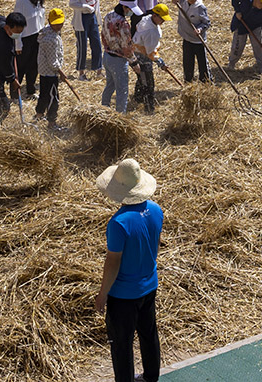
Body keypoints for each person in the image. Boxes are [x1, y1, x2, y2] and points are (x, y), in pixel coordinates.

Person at [94, 157, 163, 382]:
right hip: (149, 285)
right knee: (149, 334)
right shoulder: (155, 210)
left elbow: (113, 263)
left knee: (121, 343)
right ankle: (151, 376)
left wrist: (103, 294)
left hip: (123, 295)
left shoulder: (118, 223)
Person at [102, 0, 142, 113]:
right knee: (122, 90)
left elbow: (103, 34)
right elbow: (127, 47)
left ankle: (103, 110)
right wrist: (134, 63)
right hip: (118, 60)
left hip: (107, 56)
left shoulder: (108, 16)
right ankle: (121, 117)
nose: (131, 13)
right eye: (130, 10)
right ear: (124, 7)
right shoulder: (123, 23)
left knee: (110, 85)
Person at [132, 4, 172, 114]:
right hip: (143, 56)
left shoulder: (146, 19)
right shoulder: (150, 31)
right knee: (148, 83)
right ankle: (149, 109)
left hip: (136, 50)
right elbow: (151, 53)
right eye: (162, 18)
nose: (163, 21)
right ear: (155, 15)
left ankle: (137, 98)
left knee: (141, 77)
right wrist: (161, 63)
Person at [168, 0, 211, 83]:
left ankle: (206, 82)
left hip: (198, 41)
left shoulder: (200, 7)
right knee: (187, 63)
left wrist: (200, 29)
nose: (192, 0)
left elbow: (207, 23)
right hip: (187, 38)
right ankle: (188, 82)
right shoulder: (183, 1)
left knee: (203, 64)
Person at [13, 0, 47, 98]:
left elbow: (41, 19)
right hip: (25, 37)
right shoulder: (22, 0)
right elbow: (16, 21)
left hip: (37, 37)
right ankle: (15, 93)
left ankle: (30, 90)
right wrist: (18, 42)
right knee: (21, 66)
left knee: (34, 65)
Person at [70, 0, 105, 80]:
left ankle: (99, 70)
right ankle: (81, 72)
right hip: (82, 19)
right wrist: (84, 7)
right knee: (82, 46)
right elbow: (72, 3)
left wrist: (97, 16)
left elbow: (97, 2)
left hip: (92, 18)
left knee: (97, 44)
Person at [35, 8, 68, 133]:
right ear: (49, 21)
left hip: (44, 71)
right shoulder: (51, 40)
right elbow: (52, 62)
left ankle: (39, 115)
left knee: (44, 94)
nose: (59, 25)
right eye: (56, 23)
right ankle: (52, 122)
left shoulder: (48, 32)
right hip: (50, 72)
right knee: (53, 97)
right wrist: (61, 73)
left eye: (60, 22)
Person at [228, 0, 262, 75]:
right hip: (241, 24)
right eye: (261, 2)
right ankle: (231, 64)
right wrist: (238, 11)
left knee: (259, 47)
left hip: (255, 27)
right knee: (237, 46)